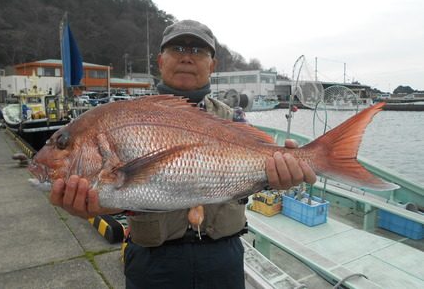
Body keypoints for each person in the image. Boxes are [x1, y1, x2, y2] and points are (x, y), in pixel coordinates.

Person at [50, 20, 316, 289]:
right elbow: (126, 195)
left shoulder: (234, 118)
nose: (187, 57)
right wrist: (95, 205)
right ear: (160, 61)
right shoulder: (126, 116)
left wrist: (276, 176)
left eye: (199, 51)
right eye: (177, 48)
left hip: (222, 257)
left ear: (213, 65)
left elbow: (246, 176)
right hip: (152, 261)